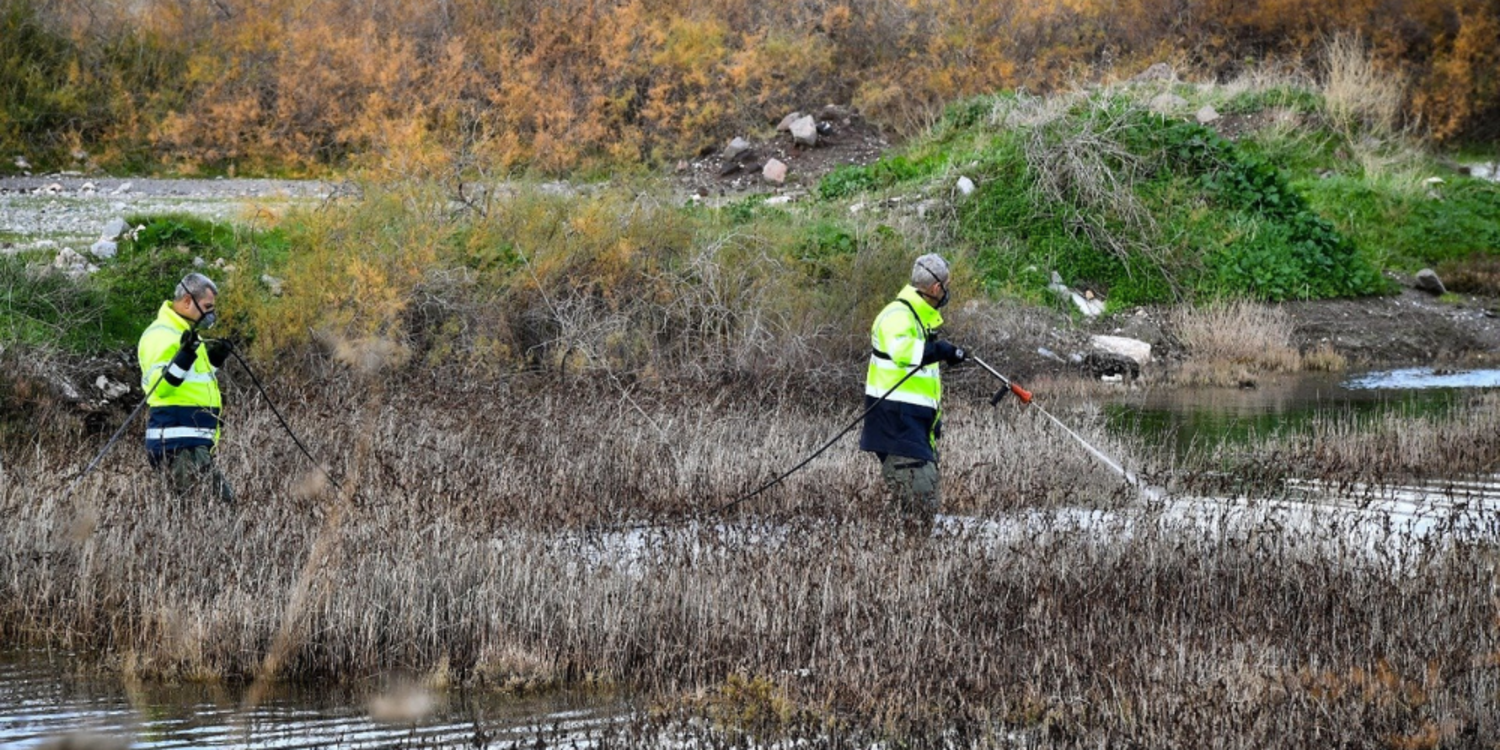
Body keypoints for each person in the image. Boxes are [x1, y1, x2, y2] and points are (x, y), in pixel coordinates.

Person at [859, 254, 966, 533]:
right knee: (921, 500)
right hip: (895, 425)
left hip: (915, 427)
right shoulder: (896, 316)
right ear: (935, 289)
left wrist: (945, 352)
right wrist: (939, 350)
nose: (947, 291)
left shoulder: (921, 318)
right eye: (946, 285)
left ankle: (890, 556)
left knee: (915, 507)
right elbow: (902, 350)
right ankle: (907, 562)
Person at [138, 273, 233, 501]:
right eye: (207, 307)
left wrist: (214, 360)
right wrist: (185, 355)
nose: (212, 314)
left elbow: (189, 380)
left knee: (215, 508)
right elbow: (160, 387)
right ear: (188, 301)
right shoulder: (161, 335)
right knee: (208, 509)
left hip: (193, 442)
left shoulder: (187, 336)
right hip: (177, 443)